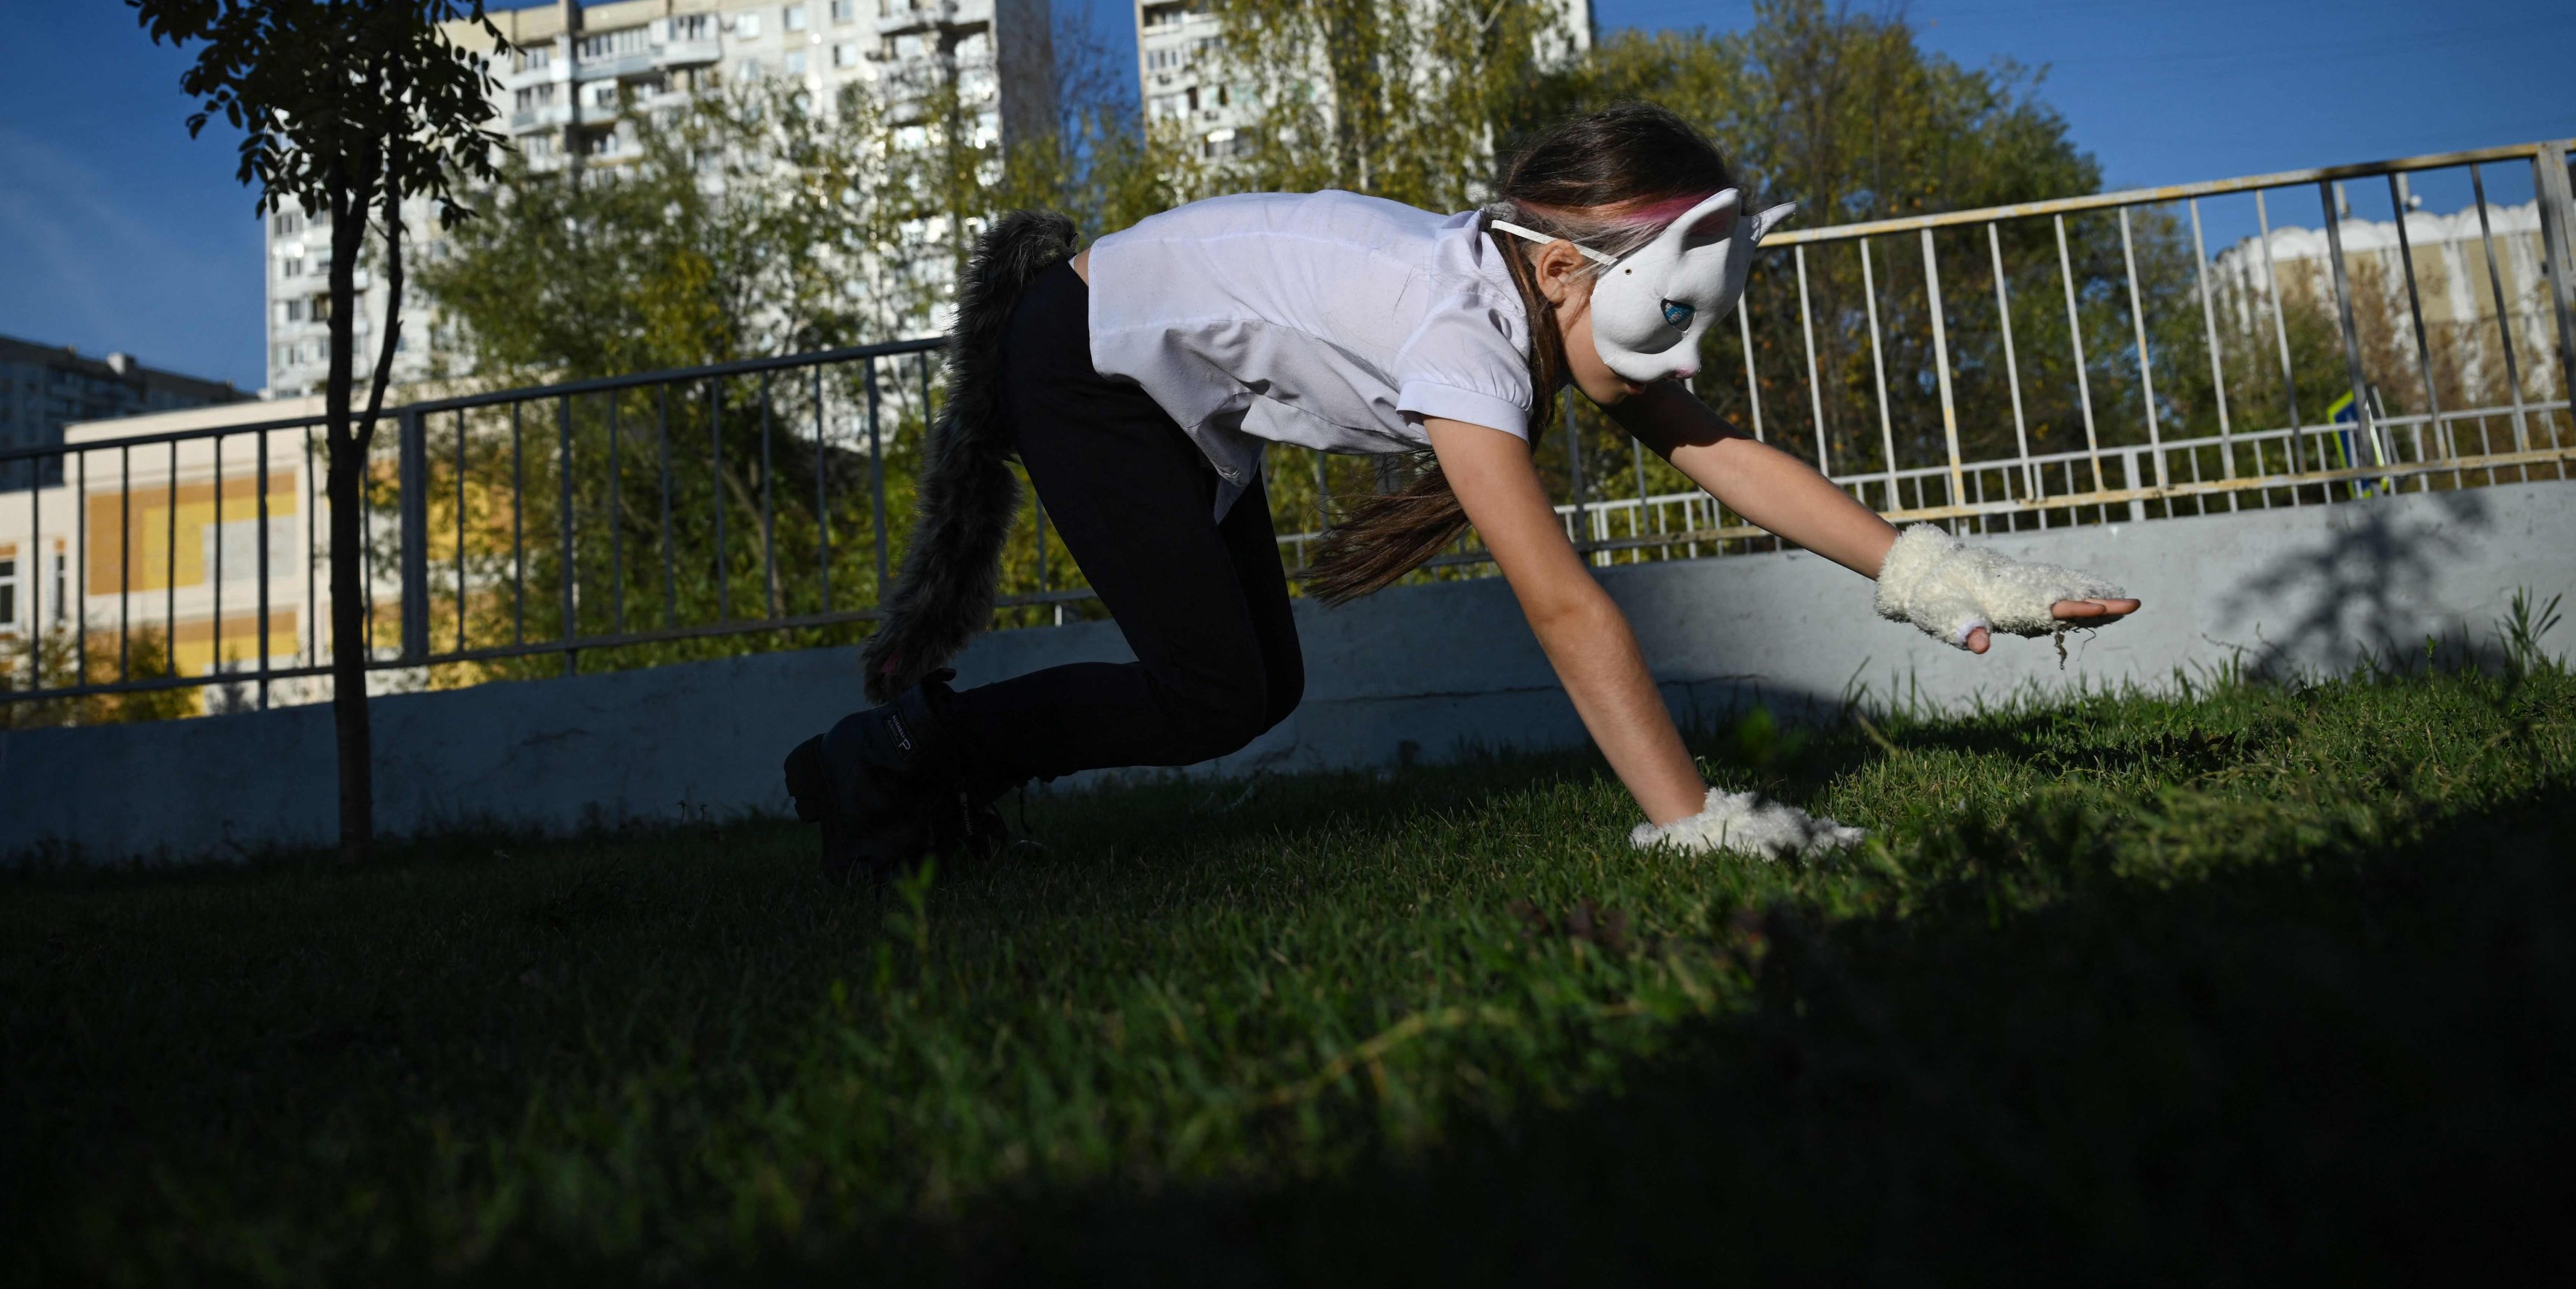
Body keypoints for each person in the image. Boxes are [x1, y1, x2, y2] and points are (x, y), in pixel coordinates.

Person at [784, 105, 2139, 881]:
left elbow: (1718, 446)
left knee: (1251, 691)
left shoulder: (1510, 295)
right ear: (1563, 271)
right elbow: (1559, 605)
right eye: (1665, 314)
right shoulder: (1463, 333)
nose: (1681, 357)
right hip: (1085, 365)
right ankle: (896, 765)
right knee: (1217, 691)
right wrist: (1691, 820)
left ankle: (918, 764)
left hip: (1135, 370)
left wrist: (1934, 569)